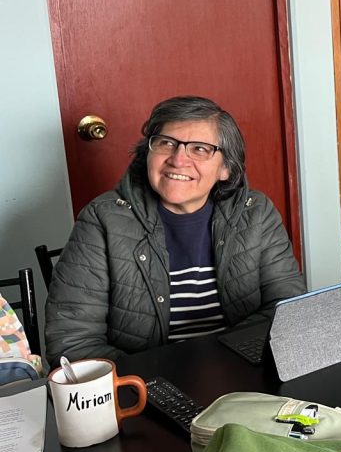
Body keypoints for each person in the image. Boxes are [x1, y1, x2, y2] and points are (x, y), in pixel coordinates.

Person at [45, 96, 305, 364]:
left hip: (241, 371)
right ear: (148, 152)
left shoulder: (256, 213)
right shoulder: (102, 220)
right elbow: (72, 342)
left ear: (226, 168)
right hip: (146, 387)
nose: (179, 160)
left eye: (200, 149)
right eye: (166, 143)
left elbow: (289, 309)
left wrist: (220, 359)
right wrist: (160, 378)